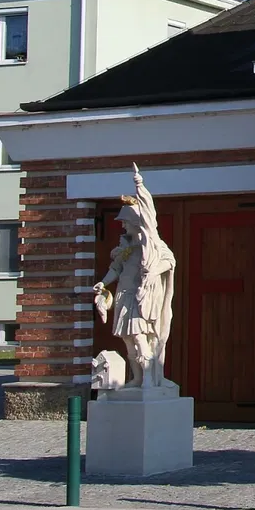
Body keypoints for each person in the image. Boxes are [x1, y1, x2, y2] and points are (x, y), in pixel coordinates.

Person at [92, 166, 176, 389]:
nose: (123, 225)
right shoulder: (126, 248)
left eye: (125, 222)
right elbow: (115, 268)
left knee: (140, 337)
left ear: (136, 222)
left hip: (140, 298)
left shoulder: (152, 246)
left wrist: (152, 272)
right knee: (128, 340)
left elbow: (169, 261)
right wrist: (103, 282)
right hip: (124, 295)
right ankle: (137, 378)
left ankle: (149, 379)